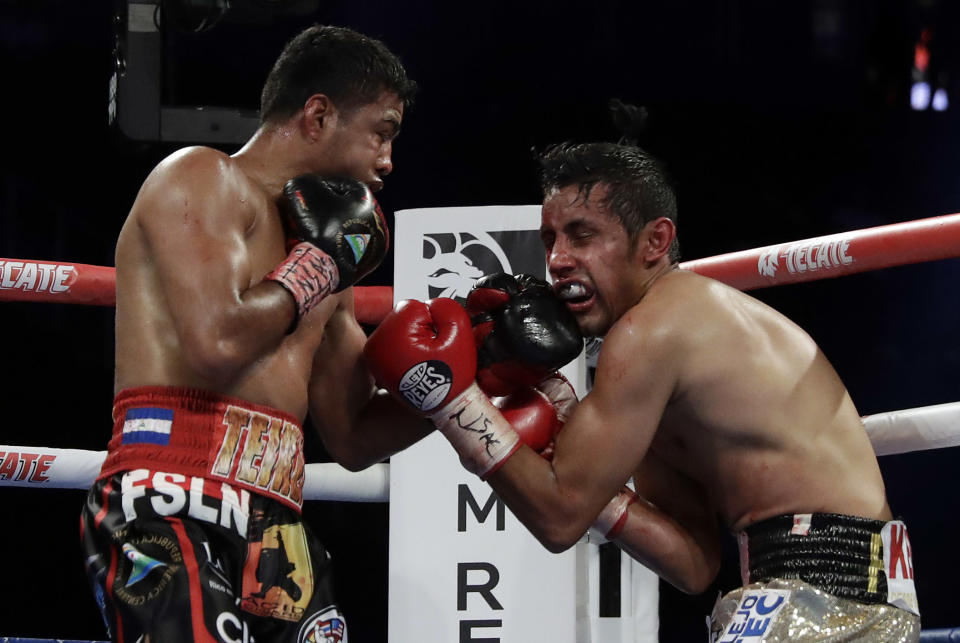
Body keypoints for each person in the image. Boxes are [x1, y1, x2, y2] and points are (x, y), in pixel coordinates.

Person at [364, 142, 921, 641]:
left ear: (655, 241)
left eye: (582, 235)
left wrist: (453, 402)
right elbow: (695, 564)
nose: (557, 260)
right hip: (821, 593)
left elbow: (558, 519)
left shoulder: (653, 328)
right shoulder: (655, 363)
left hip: (832, 600)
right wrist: (569, 446)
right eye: (550, 239)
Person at [80, 24, 431, 642]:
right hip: (170, 497)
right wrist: (317, 266)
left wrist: (470, 380)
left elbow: (352, 437)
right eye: (381, 132)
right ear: (318, 114)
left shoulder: (330, 254)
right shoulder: (202, 179)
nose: (387, 162)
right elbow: (216, 345)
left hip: (277, 520)